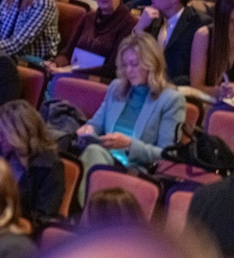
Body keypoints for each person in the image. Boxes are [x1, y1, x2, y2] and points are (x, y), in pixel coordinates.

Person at [75, 33, 185, 187]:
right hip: (104, 157)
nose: (129, 70)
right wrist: (88, 130)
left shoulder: (171, 100)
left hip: (135, 169)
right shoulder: (116, 88)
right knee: (92, 152)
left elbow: (167, 155)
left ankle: (88, 208)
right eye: (125, 65)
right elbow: (96, 124)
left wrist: (128, 145)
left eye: (134, 64)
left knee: (94, 153)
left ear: (151, 63)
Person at [48, 0, 137, 80]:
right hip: (70, 76)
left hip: (97, 84)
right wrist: (56, 64)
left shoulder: (128, 24)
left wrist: (72, 71)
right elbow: (67, 53)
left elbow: (111, 69)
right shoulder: (88, 17)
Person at [0, 100, 64, 227]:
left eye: (3, 135)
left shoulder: (49, 167)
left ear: (19, 133)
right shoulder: (1, 155)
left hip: (20, 230)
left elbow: (43, 217)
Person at [134, 0, 209, 84]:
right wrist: (139, 29)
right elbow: (129, 61)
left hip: (174, 94)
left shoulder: (199, 26)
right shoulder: (150, 17)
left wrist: (158, 85)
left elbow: (191, 79)